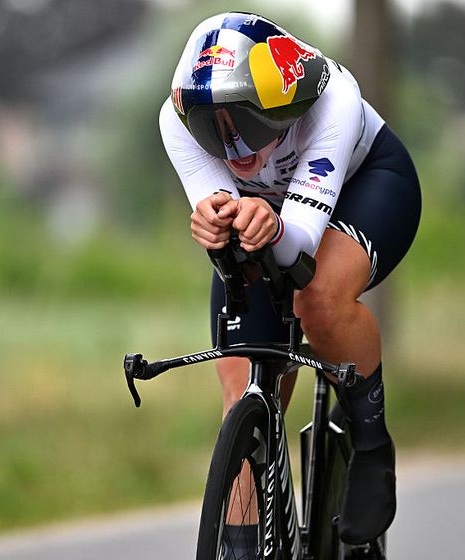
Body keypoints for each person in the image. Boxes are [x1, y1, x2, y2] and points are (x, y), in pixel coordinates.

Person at [158, 12, 422, 547]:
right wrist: (215, 221)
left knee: (317, 298)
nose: (235, 148)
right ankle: (240, 539)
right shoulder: (174, 120)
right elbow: (229, 222)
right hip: (272, 216)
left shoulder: (333, 98)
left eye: (247, 121)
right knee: (243, 387)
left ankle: (372, 446)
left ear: (283, 101)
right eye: (215, 127)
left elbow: (297, 244)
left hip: (365, 186)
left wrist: (268, 222)